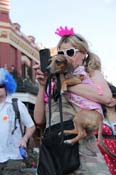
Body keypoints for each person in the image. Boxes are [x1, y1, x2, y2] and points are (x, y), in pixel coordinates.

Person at [34, 26, 112, 175]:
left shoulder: (90, 72)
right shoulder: (52, 79)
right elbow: (39, 119)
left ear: (84, 54)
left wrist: (65, 85)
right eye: (61, 53)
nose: (65, 57)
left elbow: (107, 98)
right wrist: (43, 86)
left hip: (85, 151)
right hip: (57, 148)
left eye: (70, 52)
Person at [0, 68, 35, 175]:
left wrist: (24, 139)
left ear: (6, 87)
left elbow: (31, 126)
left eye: (1, 86)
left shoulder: (16, 104)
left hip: (12, 157)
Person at [96, 83, 116, 175]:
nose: (111, 99)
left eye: (114, 96)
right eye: (108, 96)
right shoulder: (96, 113)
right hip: (101, 152)